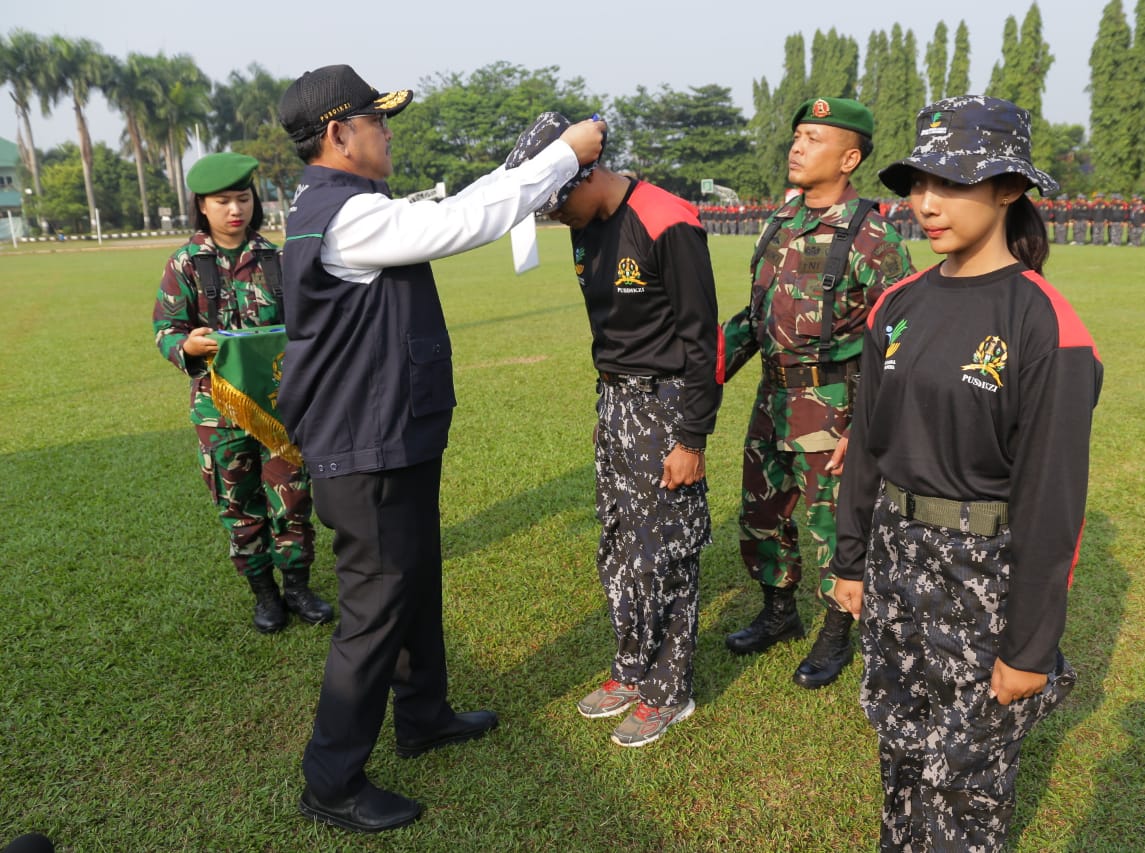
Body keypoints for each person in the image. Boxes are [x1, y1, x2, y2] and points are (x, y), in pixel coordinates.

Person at [275, 65, 605, 832]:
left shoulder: (349, 207)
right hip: (366, 446)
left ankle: (423, 714)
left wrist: (525, 165)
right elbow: (464, 225)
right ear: (338, 133)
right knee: (375, 603)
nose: (388, 132)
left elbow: (456, 207)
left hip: (390, 434)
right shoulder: (347, 214)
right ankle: (332, 779)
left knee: (413, 578)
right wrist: (563, 156)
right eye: (377, 120)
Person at [831, 95, 1103, 850]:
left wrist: (1029, 645)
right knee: (901, 747)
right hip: (894, 557)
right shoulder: (899, 303)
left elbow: (1052, 500)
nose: (926, 202)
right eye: (918, 182)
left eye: (951, 182)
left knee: (967, 776)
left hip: (980, 571)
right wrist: (850, 558)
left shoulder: (1043, 323)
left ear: (1009, 188)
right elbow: (869, 450)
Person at [505, 113, 721, 746]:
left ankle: (669, 689)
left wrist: (690, 439)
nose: (553, 216)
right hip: (615, 403)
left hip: (665, 407)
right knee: (621, 542)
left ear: (588, 170)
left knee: (667, 553)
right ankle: (631, 667)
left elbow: (700, 338)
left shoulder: (665, 218)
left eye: (555, 200)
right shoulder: (586, 228)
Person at [720, 97, 913, 690]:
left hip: (834, 405)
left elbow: (903, 338)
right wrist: (703, 368)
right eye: (797, 136)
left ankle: (835, 633)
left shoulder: (873, 237)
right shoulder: (781, 223)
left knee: (836, 526)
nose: (797, 148)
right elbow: (755, 318)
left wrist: (865, 428)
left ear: (849, 158)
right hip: (772, 399)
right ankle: (778, 613)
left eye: (814, 139)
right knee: (761, 514)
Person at [152, 152, 332, 635]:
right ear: (202, 206)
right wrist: (185, 344)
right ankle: (265, 594)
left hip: (279, 407)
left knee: (291, 498)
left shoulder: (276, 258)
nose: (236, 209)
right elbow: (165, 329)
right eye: (223, 201)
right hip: (218, 412)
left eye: (243, 198)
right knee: (238, 504)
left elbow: (308, 322)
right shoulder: (186, 264)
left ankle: (297, 586)